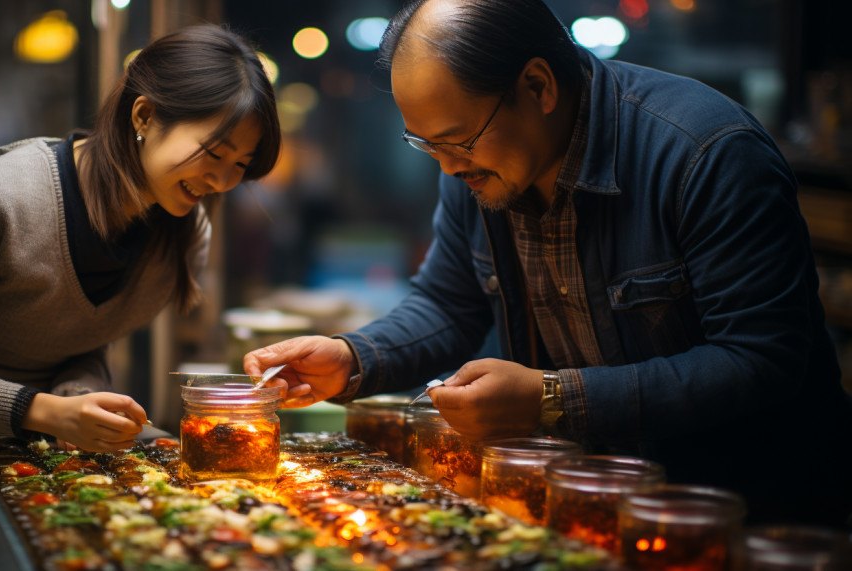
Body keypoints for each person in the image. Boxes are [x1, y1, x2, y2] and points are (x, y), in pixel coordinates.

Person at [245, 0, 852, 526]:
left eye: (456, 140)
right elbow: (448, 303)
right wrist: (352, 357)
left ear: (538, 87)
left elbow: (761, 358)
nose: (448, 167)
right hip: (572, 499)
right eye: (426, 144)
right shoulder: (475, 167)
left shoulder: (704, 153)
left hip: (734, 509)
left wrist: (552, 398)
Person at [0, 25, 280, 453]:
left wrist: (78, 396)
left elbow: (80, 341)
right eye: (215, 153)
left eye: (241, 164)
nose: (222, 181)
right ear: (144, 116)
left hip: (54, 454)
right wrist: (47, 412)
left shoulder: (186, 230)